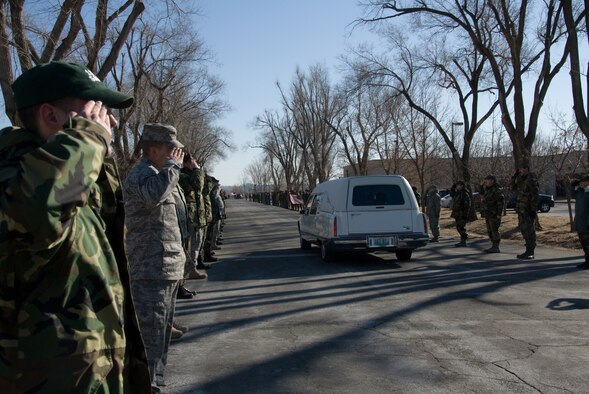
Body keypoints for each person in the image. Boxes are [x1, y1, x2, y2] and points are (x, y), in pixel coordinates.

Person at [0, 61, 150, 392]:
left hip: (93, 375)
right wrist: (89, 137)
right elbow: (36, 210)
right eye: (96, 109)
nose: (108, 121)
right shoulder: (14, 178)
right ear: (51, 116)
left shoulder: (79, 182)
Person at [123, 123, 186, 392]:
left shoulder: (160, 173)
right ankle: (147, 386)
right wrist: (172, 168)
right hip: (150, 271)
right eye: (170, 149)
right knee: (150, 339)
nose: (175, 154)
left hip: (166, 268)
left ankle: (155, 384)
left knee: (161, 338)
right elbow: (152, 196)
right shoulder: (142, 174)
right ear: (152, 149)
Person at [510, 161, 539, 259]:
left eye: (521, 169)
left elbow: (535, 195)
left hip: (528, 209)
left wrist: (533, 210)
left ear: (526, 168)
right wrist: (514, 177)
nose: (520, 171)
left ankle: (531, 251)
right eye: (519, 169)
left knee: (530, 230)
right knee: (523, 230)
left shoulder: (531, 179)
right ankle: (527, 250)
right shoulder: (520, 179)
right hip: (521, 209)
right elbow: (512, 188)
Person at [480, 175, 504, 253]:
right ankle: (493, 246)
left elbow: (500, 203)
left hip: (494, 214)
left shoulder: (496, 190)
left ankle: (496, 247)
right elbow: (481, 193)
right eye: (485, 180)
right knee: (490, 231)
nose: (485, 182)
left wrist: (499, 214)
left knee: (494, 230)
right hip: (488, 214)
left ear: (492, 181)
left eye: (487, 180)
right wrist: (481, 185)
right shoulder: (488, 189)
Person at [572, 175, 589, 269]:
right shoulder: (580, 192)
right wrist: (573, 186)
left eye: (582, 181)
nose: (580, 183)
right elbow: (573, 195)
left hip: (586, 224)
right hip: (580, 223)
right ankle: (587, 261)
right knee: (584, 244)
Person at [450, 180, 471, 247]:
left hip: (462, 214)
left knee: (461, 227)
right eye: (456, 185)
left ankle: (464, 241)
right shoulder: (458, 193)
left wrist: (465, 214)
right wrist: (452, 188)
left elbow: (467, 205)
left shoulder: (464, 194)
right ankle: (463, 240)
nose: (457, 187)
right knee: (458, 227)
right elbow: (452, 194)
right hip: (457, 213)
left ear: (462, 186)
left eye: (458, 185)